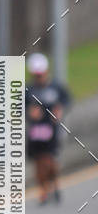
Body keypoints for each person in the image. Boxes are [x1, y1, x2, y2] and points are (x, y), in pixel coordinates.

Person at [25, 53, 71, 205]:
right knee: (38, 160)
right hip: (36, 130)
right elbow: (19, 107)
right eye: (36, 75)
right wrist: (29, 113)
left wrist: (60, 109)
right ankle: (43, 190)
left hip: (53, 129)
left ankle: (55, 183)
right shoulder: (29, 90)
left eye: (41, 75)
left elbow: (67, 100)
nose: (39, 78)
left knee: (49, 159)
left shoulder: (56, 87)